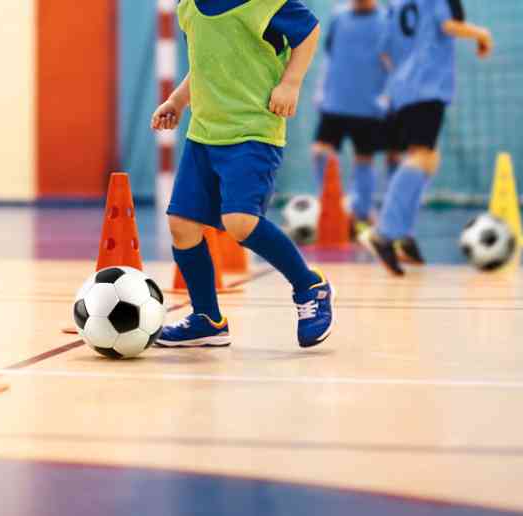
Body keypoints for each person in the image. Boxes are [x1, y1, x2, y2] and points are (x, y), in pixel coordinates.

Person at [151, 0, 333, 348]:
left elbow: (309, 31)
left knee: (239, 221)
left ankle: (309, 285)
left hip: (253, 131)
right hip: (203, 134)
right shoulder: (188, 7)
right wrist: (176, 101)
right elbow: (206, 65)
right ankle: (207, 319)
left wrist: (291, 83)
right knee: (182, 225)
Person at [361, 0, 493, 276]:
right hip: (428, 86)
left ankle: (404, 235)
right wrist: (482, 34)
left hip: (402, 87)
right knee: (421, 156)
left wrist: (404, 71)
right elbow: (448, 25)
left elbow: (384, 51)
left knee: (428, 159)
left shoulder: (395, 4)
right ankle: (385, 233)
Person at [312, 0, 389, 233]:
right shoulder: (339, 16)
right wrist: (321, 89)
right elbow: (329, 55)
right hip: (335, 101)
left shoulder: (385, 20)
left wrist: (388, 94)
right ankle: (331, 206)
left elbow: (391, 60)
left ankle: (362, 214)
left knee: (364, 158)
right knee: (320, 152)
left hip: (369, 105)